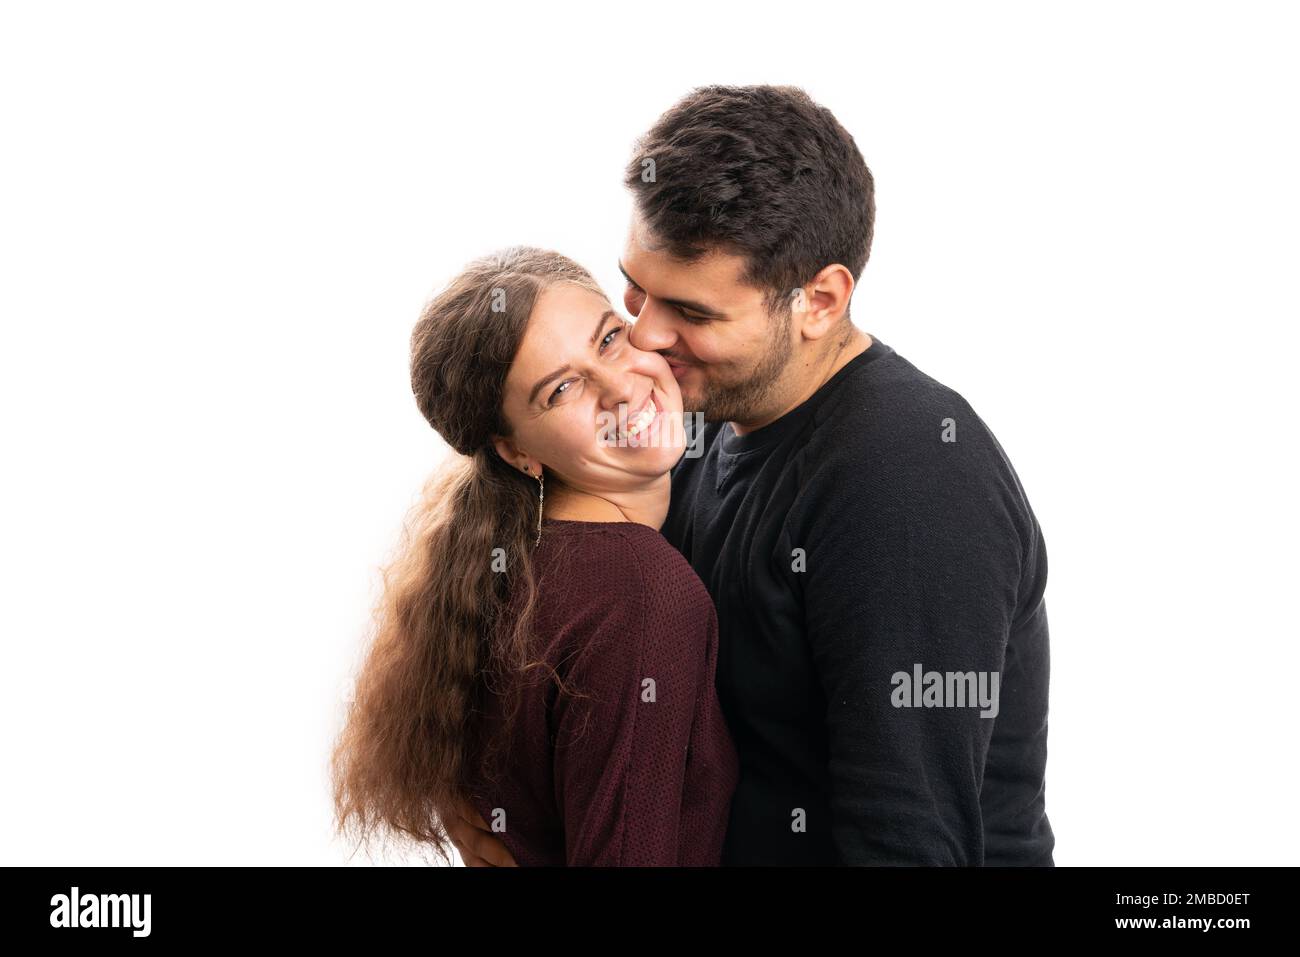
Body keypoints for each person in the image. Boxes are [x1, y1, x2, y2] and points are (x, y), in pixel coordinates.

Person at [449, 85, 1055, 866]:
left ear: (820, 300)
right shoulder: (686, 432)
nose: (644, 334)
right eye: (634, 288)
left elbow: (907, 843)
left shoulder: (908, 482)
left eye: (693, 313)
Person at [331, 246, 739, 866]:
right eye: (562, 389)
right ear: (516, 451)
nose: (620, 389)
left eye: (607, 340)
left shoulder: (510, 560)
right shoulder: (644, 595)